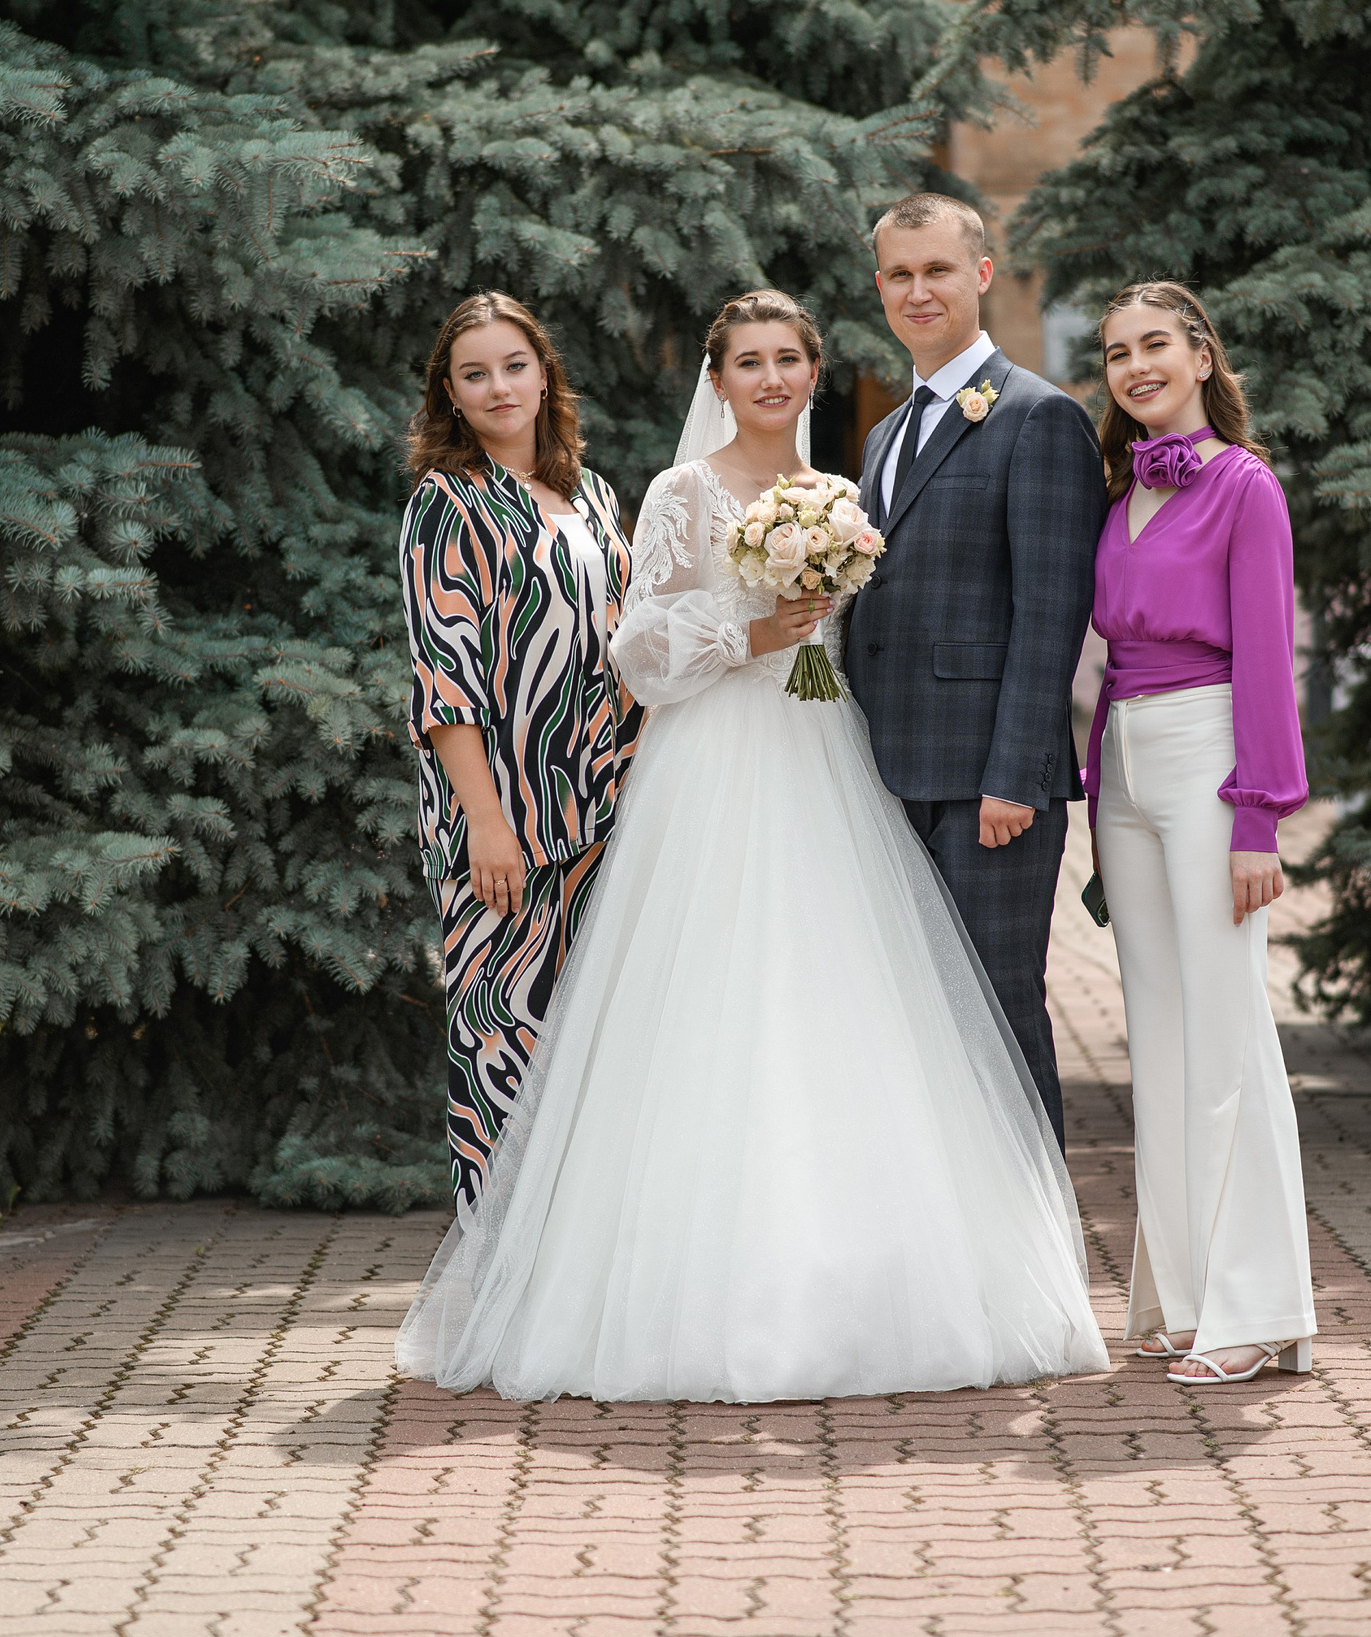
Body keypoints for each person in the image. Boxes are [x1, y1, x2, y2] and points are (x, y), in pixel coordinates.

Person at [396, 289, 1106, 1404]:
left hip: (826, 752)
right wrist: (749, 630)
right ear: (715, 381)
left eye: (787, 359)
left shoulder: (844, 496)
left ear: (812, 373)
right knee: (711, 1004)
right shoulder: (678, 493)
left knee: (844, 1003)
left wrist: (814, 625)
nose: (769, 378)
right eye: (746, 361)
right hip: (713, 766)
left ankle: (865, 1276)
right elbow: (637, 656)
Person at [1083, 279, 1316, 1386]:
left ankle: (1258, 1309)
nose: (1135, 367)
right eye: (1117, 352)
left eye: (1155, 346)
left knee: (1225, 1033)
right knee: (1161, 1033)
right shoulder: (1118, 486)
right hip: (1121, 763)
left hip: (1209, 753)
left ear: (1199, 355)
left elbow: (1268, 654)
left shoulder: (1243, 486)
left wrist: (1258, 816)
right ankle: (1184, 1295)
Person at [844, 193, 1104, 1147]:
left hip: (986, 784)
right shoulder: (884, 436)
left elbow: (1051, 614)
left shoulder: (1037, 417)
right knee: (915, 1017)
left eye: (938, 270)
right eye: (900, 275)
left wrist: (1014, 775)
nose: (919, 290)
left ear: (982, 275)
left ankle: (1037, 1234)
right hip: (887, 773)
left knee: (997, 1009)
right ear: (880, 289)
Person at [398, 291, 636, 1214]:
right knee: (504, 1050)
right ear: (450, 395)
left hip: (604, 810)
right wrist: (488, 824)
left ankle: (578, 1284)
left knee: (593, 1049)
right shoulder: (444, 503)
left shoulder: (592, 492)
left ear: (545, 374)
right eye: (474, 374)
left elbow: (629, 640)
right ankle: (499, 1279)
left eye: (514, 365)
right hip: (504, 825)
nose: (499, 387)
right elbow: (444, 679)